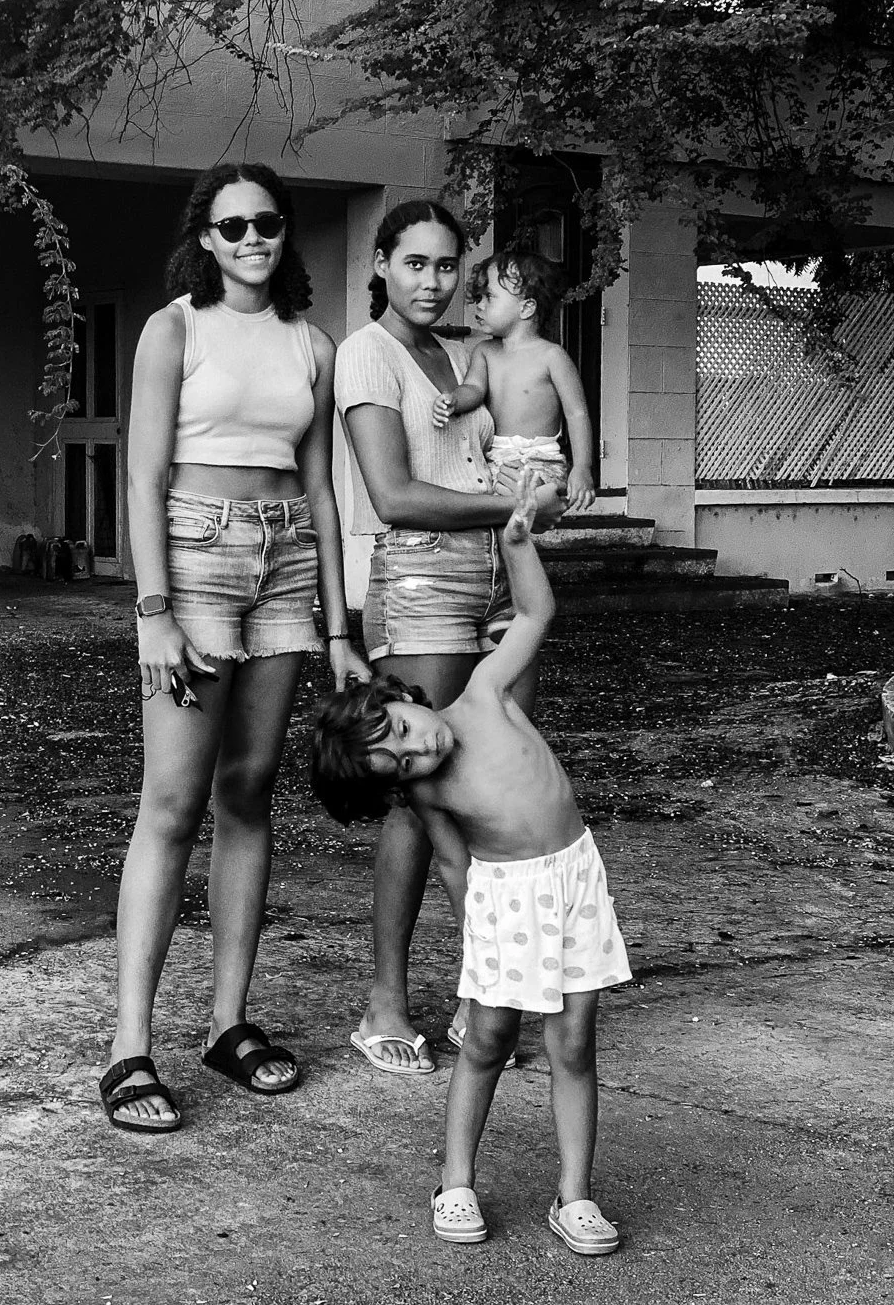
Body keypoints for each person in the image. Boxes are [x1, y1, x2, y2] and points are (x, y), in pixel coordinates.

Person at [99, 161, 370, 1134]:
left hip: (288, 564)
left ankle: (228, 1023)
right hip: (196, 559)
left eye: (268, 224)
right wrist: (154, 610)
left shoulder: (312, 343)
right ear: (205, 238)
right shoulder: (175, 327)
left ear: (284, 234)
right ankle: (131, 1048)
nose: (253, 238)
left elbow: (326, 490)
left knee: (250, 789)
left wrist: (339, 628)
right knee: (171, 804)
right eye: (234, 225)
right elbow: (143, 478)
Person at [311, 478, 631, 1254]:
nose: (416, 747)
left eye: (402, 728)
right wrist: (477, 943)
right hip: (506, 904)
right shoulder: (431, 796)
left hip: (576, 878)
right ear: (398, 785)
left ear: (401, 695)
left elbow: (534, 616)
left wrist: (519, 544)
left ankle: (574, 1195)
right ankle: (456, 1181)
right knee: (486, 1041)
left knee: (575, 1043)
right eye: (398, 762)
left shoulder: (484, 695)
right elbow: (456, 868)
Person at [333, 200, 566, 1078]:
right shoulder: (367, 354)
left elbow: (514, 448)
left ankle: (484, 999)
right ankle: (385, 1003)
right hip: (422, 580)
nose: (433, 282)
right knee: (415, 796)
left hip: (500, 574)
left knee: (492, 776)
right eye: (416, 263)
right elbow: (393, 494)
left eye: (447, 267)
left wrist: (536, 500)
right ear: (383, 265)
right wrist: (514, 509)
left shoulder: (472, 355)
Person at [432, 246, 596, 519]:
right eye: (479, 297)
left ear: (526, 307)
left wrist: (582, 467)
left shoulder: (551, 356)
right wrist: (453, 400)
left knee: (531, 511)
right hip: (494, 459)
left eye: (490, 297)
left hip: (542, 460)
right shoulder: (484, 351)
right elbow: (474, 389)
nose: (479, 305)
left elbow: (576, 413)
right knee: (486, 514)